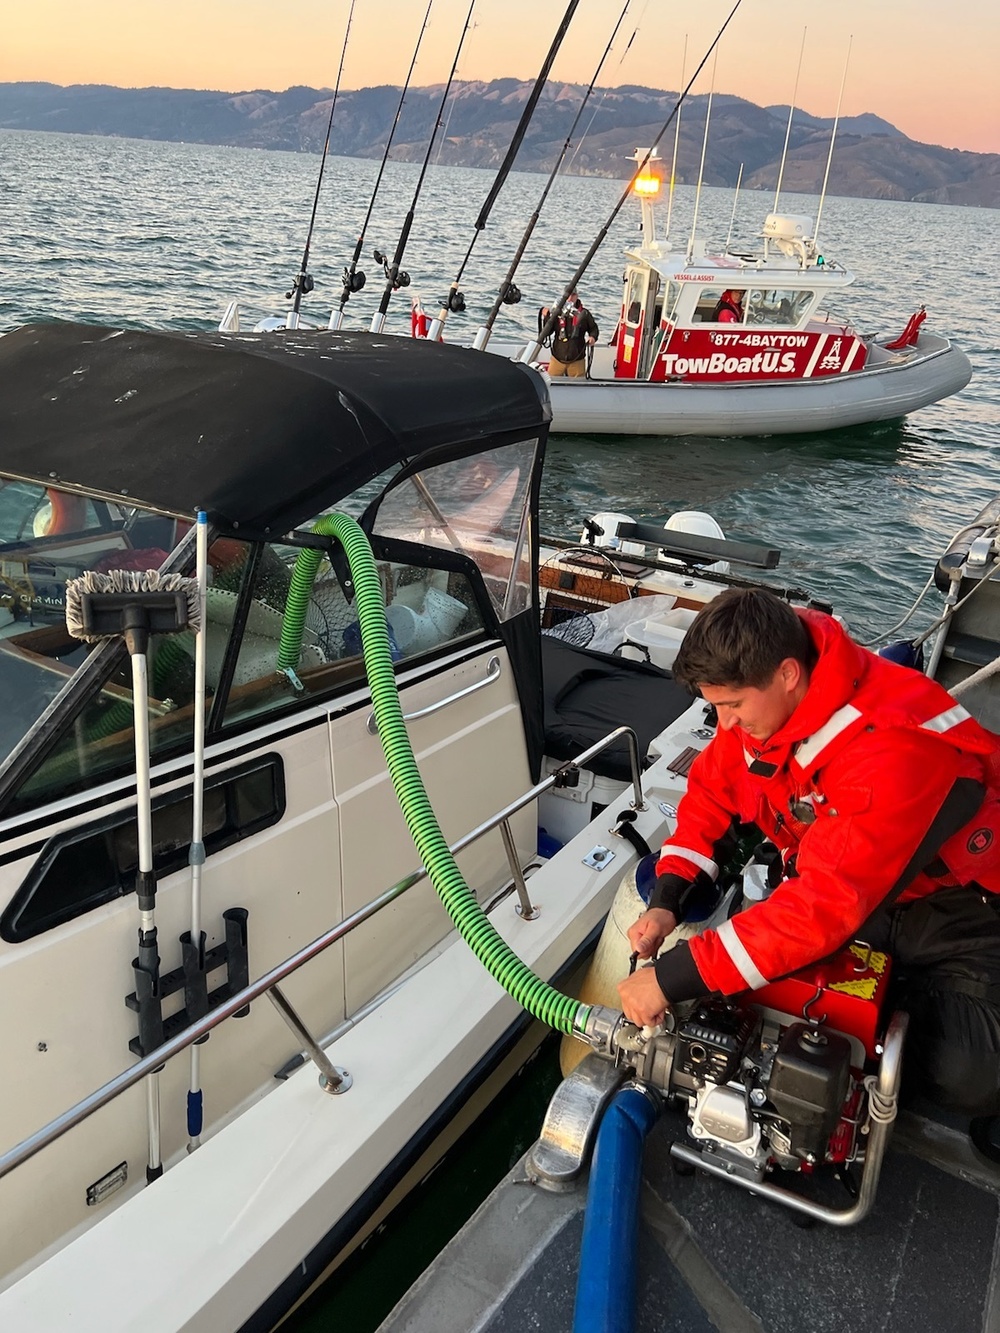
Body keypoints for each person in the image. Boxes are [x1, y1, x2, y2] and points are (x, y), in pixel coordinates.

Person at [617, 587, 1000, 1115]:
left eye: (731, 705)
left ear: (788, 674)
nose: (723, 724)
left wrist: (668, 978)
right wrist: (668, 898)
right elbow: (709, 796)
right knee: (759, 997)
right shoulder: (765, 707)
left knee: (966, 1074)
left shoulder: (891, 747)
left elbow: (824, 904)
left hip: (957, 908)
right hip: (861, 895)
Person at [538, 292, 599, 378]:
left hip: (577, 360)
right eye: (568, 295)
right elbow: (547, 332)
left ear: (577, 296)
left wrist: (593, 337)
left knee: (578, 387)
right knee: (551, 385)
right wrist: (546, 317)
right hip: (557, 359)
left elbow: (593, 328)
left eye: (573, 295)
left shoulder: (584, 314)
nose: (570, 298)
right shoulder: (557, 312)